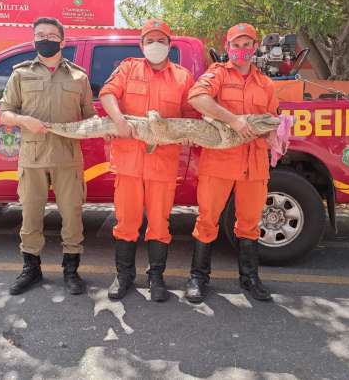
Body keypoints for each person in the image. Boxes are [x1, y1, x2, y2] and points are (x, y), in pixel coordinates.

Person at [99, 18, 197, 302]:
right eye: (150, 40)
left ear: (169, 45)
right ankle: (124, 276)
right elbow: (107, 94)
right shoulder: (128, 69)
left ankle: (156, 277)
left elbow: (189, 114)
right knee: (126, 222)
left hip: (163, 165)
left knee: (159, 223)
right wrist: (118, 120)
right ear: (141, 45)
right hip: (129, 162)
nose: (156, 45)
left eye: (161, 40)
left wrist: (189, 131)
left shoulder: (182, 77)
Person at [0, 17, 96, 296]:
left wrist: (104, 128)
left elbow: (90, 116)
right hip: (33, 157)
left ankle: (71, 270)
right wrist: (23, 121)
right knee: (30, 215)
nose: (45, 39)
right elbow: (4, 113)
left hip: (68, 157)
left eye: (51, 35)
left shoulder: (79, 77)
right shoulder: (20, 74)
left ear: (62, 41)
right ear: (33, 39)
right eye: (40, 34)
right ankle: (31, 269)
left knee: (72, 216)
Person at [184, 23, 279, 303]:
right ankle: (198, 278)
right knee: (207, 220)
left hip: (255, 162)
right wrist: (234, 120)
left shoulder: (266, 83)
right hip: (221, 161)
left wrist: (276, 134)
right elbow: (197, 98)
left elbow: (273, 116)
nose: (241, 50)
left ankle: (249, 278)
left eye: (246, 45)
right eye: (236, 45)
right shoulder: (217, 74)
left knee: (250, 223)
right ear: (228, 48)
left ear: (255, 47)